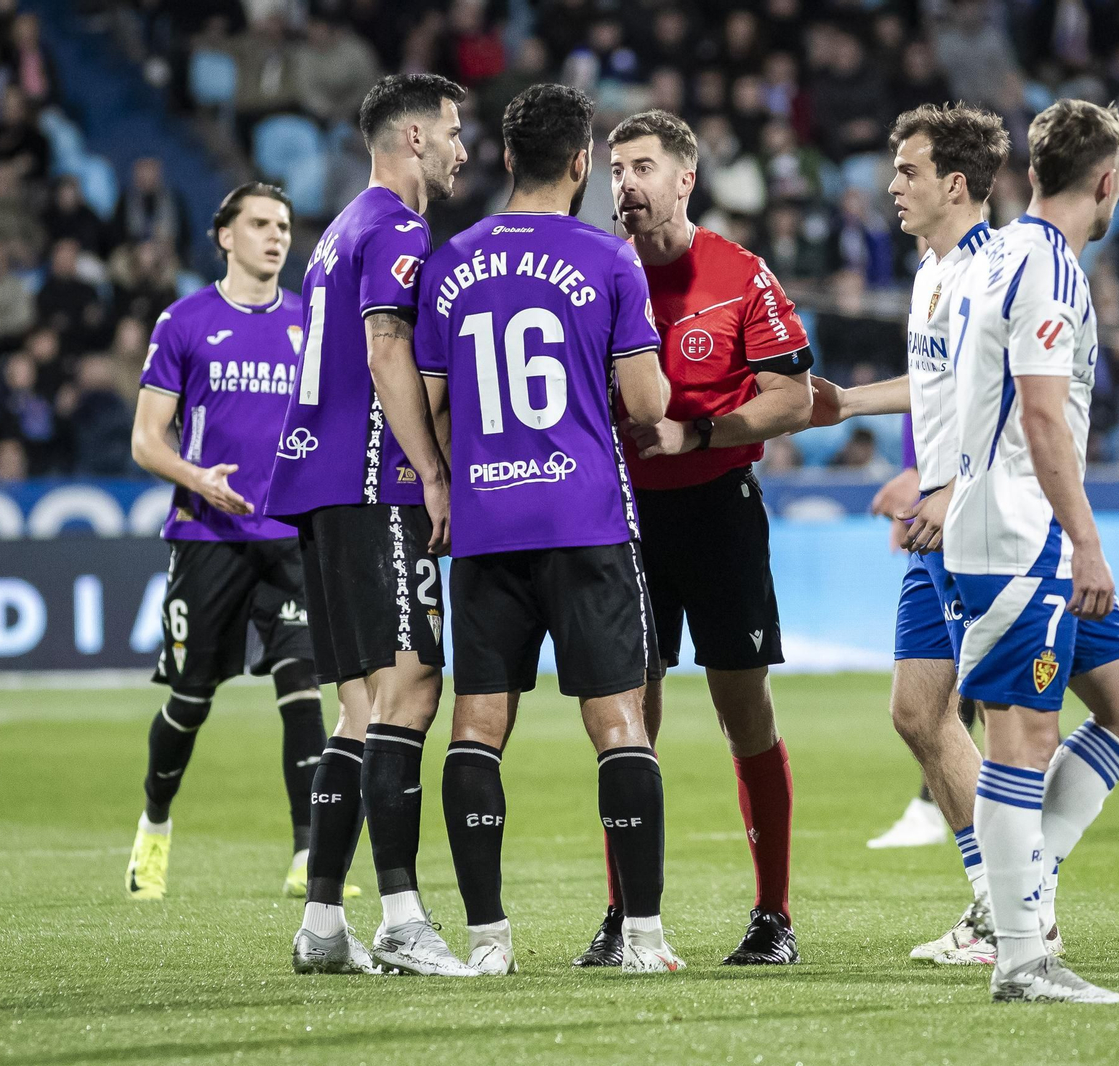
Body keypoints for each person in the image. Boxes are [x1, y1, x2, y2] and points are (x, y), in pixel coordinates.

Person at [413, 82, 683, 975]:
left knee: (477, 728)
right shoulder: (610, 259)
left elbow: (434, 402)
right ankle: (642, 936)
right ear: (580, 164)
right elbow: (646, 405)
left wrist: (448, 478)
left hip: (488, 523)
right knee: (618, 726)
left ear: (503, 158)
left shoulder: (452, 261)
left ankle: (488, 942)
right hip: (585, 517)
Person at [945, 99, 1119, 1004]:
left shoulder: (995, 253)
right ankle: (1022, 956)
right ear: (1108, 181)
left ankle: (1020, 887)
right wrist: (1088, 540)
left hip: (1022, 530)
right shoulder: (1051, 271)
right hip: (1019, 534)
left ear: (1035, 170)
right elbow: (1040, 416)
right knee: (1023, 740)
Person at [593, 108, 814, 967]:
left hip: (719, 509)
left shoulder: (737, 273)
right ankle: (626, 919)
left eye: (642, 167)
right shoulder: (596, 274)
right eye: (616, 169)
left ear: (686, 177)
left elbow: (792, 399)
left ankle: (773, 917)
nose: (625, 185)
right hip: (621, 520)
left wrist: (701, 433)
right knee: (625, 719)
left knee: (742, 711)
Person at [264, 73, 472, 977]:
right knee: (413, 686)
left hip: (317, 484)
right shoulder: (396, 226)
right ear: (415, 139)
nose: (466, 148)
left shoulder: (337, 231)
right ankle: (399, 916)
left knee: (357, 707)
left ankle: (321, 924)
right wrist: (431, 471)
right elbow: (389, 343)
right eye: (456, 132)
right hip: (369, 479)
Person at [804, 103, 1011, 966]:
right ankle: (992, 905)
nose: (891, 186)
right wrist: (848, 402)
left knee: (1010, 721)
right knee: (919, 711)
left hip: (985, 527)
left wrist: (951, 486)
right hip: (937, 518)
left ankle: (1022, 910)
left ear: (953, 183)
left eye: (908, 171)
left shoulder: (992, 274)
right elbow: (940, 391)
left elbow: (1005, 404)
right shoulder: (932, 271)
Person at [124, 183, 340, 910]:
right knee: (190, 698)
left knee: (303, 693)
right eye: (258, 224)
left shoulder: (311, 324)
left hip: (288, 537)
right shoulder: (185, 322)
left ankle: (310, 852)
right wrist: (197, 478)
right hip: (207, 535)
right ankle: (154, 825)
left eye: (282, 225)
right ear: (225, 235)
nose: (275, 236)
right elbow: (146, 439)